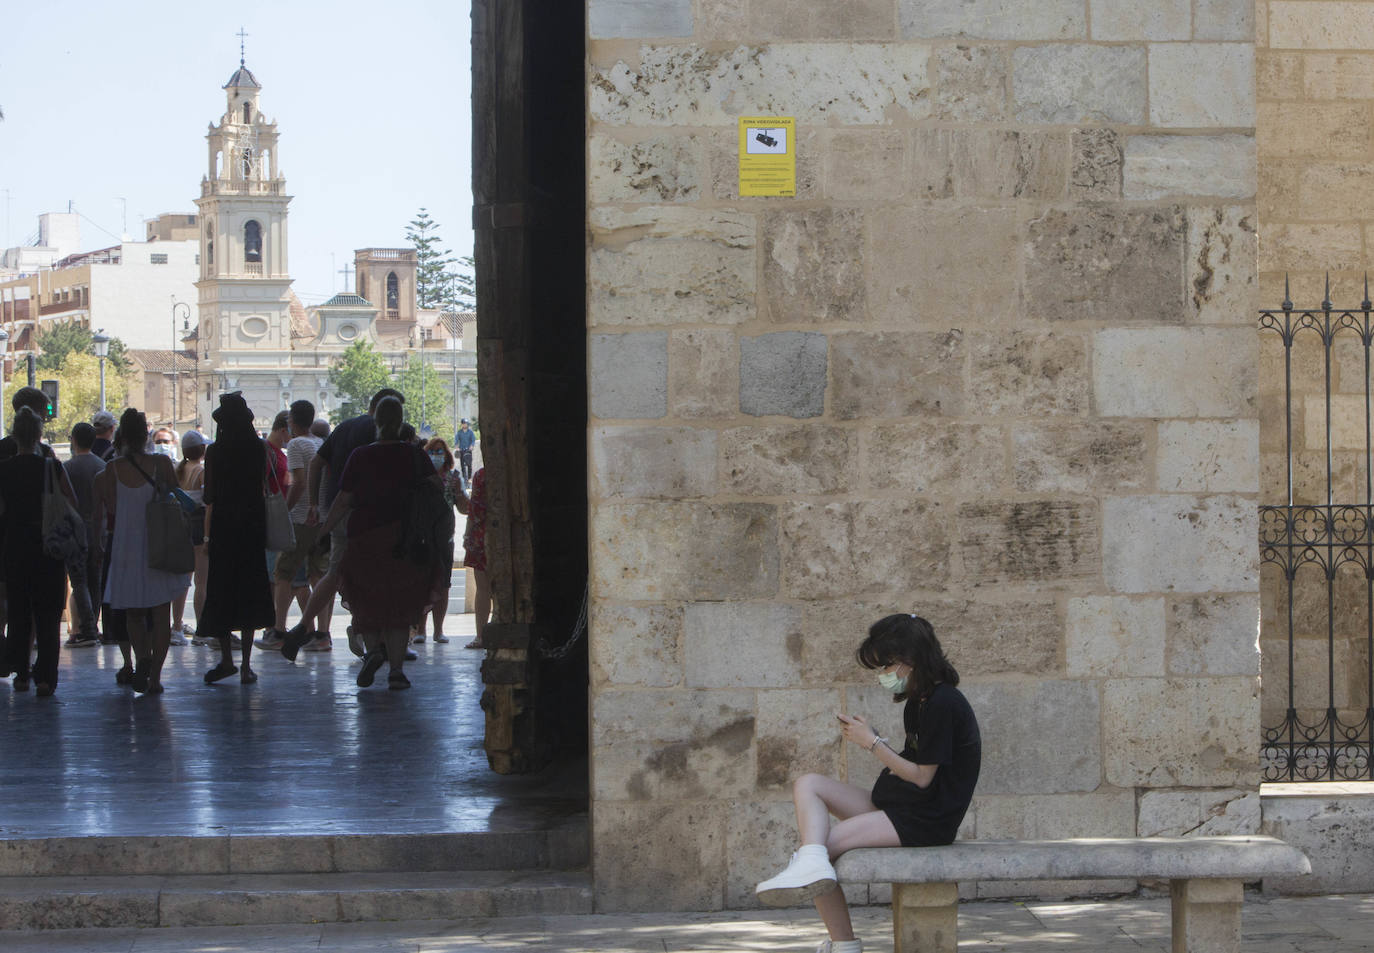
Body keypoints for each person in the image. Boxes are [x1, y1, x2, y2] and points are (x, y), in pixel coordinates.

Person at [754, 614, 981, 953]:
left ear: (911, 659)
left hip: (927, 820)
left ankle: (844, 944)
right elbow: (913, 767)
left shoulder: (944, 703)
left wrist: (872, 743)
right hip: (905, 805)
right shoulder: (918, 704)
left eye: (886, 666)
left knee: (819, 851)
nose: (883, 676)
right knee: (809, 785)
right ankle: (811, 862)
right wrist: (879, 745)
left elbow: (922, 778)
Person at [314, 396, 444, 690]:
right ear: (401, 421)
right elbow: (436, 488)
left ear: (376, 421)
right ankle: (396, 672)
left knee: (367, 601)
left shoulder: (360, 456)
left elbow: (343, 499)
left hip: (364, 536)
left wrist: (325, 530)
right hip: (403, 538)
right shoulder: (414, 455)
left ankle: (373, 652)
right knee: (398, 606)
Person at [281, 387, 405, 660]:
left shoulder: (345, 427)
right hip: (376, 518)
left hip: (338, 513)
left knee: (334, 572)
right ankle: (376, 640)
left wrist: (316, 504)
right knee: (379, 577)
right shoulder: (388, 435)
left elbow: (316, 464)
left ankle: (303, 626)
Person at [92, 408, 191, 694]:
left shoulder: (112, 469)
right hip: (158, 542)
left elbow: (111, 507)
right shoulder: (161, 463)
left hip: (126, 546)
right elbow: (174, 496)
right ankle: (156, 677)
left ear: (121, 435)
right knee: (160, 614)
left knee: (133, 613)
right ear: (146, 434)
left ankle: (142, 658)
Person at [0, 408, 79, 696]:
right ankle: (45, 677)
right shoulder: (51, 467)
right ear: (39, 435)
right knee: (47, 615)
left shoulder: (4, 469)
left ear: (13, 434)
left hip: (15, 546)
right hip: (47, 546)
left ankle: (21, 673)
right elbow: (72, 502)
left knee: (19, 611)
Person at [199, 393, 275, 685]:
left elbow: (209, 496)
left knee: (223, 590)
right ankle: (245, 665)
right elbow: (263, 484)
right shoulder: (259, 448)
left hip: (224, 527)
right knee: (251, 591)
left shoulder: (216, 452)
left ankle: (226, 660)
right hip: (253, 525)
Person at [269, 400, 330, 651]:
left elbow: (300, 483)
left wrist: (284, 509)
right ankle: (322, 635)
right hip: (323, 520)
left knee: (283, 573)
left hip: (301, 519)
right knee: (320, 576)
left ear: (292, 421)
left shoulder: (296, 444)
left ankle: (279, 630)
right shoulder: (321, 443)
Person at [413, 437, 468, 644]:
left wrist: (459, 492)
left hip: (445, 536)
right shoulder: (421, 478)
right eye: (432, 452)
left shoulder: (454, 477)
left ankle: (439, 630)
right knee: (422, 582)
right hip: (423, 536)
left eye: (439, 452)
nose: (436, 456)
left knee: (444, 583)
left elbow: (464, 508)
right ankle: (420, 629)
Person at [62, 422, 106, 647]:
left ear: (74, 440)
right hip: (98, 529)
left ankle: (86, 627)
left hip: (75, 531)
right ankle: (94, 625)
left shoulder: (67, 468)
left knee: (79, 581)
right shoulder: (102, 465)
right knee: (95, 580)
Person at [173, 430, 208, 645]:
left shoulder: (180, 469)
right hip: (199, 526)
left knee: (182, 580)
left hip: (181, 526)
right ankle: (201, 628)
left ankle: (176, 626)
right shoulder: (201, 471)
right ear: (202, 449)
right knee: (201, 582)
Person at [462, 466, 490, 650]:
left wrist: (467, 534)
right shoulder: (517, 470)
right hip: (510, 533)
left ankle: (481, 635)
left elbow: (474, 508)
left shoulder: (481, 475)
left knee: (483, 589)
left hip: (482, 535)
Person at [455, 419, 475, 484]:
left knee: (469, 465)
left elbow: (473, 440)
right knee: (462, 465)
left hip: (468, 450)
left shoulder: (470, 432)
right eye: (463, 423)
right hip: (461, 450)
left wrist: (472, 446)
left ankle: (469, 478)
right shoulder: (459, 432)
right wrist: (457, 447)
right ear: (461, 424)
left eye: (465, 423)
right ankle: (464, 478)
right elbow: (457, 440)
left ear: (467, 424)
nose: (464, 425)